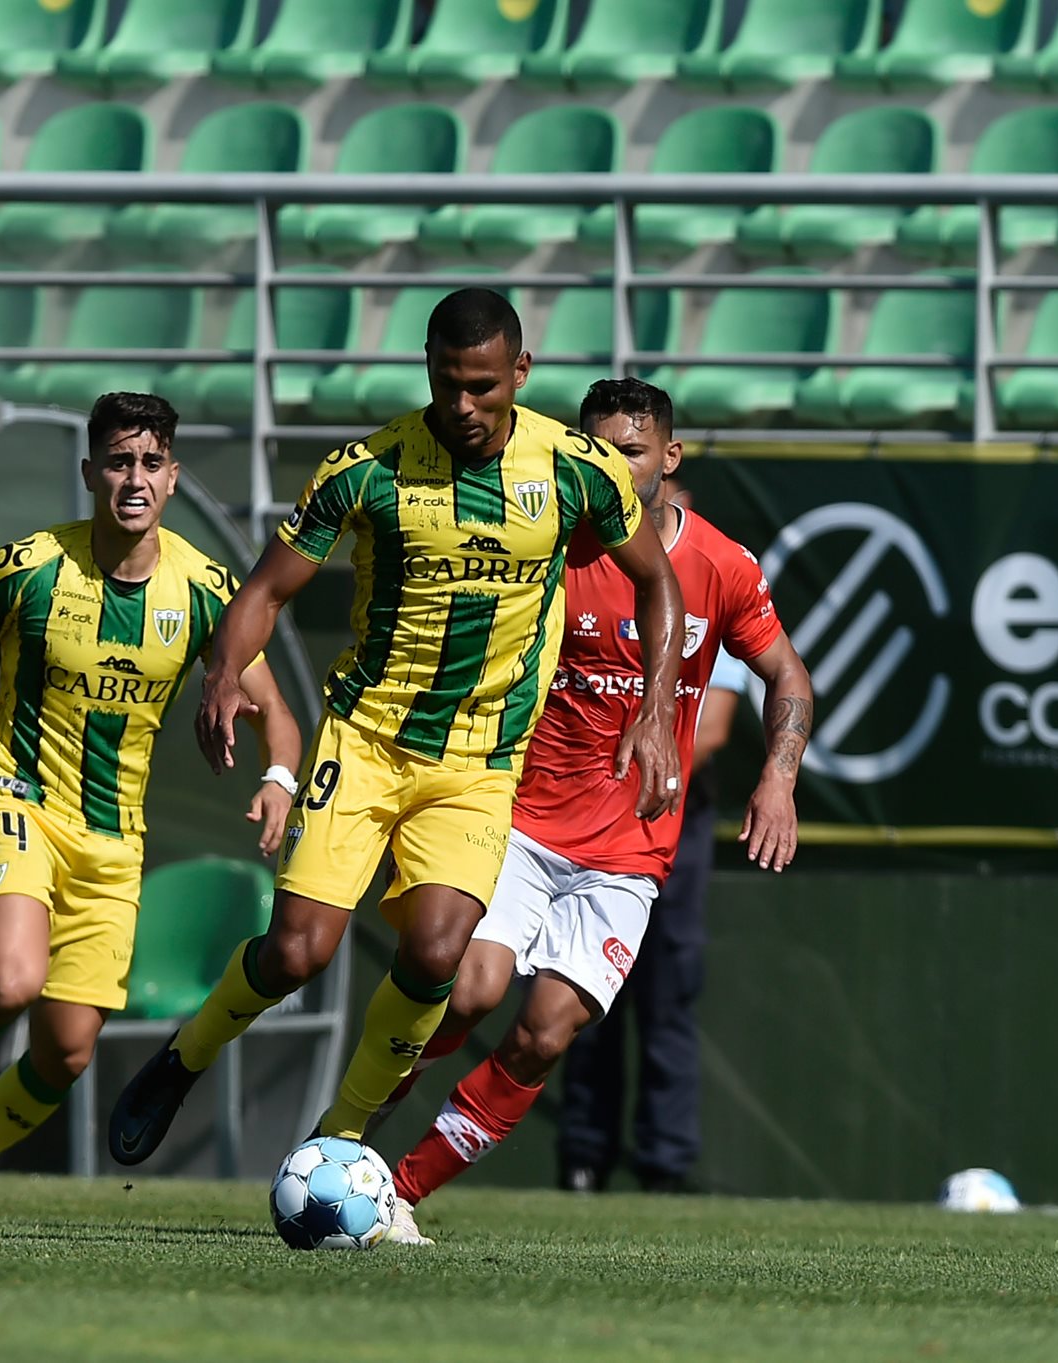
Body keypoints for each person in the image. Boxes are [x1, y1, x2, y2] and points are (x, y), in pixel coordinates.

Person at [107, 290, 686, 1171]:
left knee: (439, 950)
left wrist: (652, 708)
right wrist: (225, 671)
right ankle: (187, 1055)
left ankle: (338, 1138)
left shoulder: (576, 469)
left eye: (484, 388)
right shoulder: (367, 468)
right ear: (426, 366)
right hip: (367, 739)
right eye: (448, 383)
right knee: (299, 950)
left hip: (481, 759)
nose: (463, 406)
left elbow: (658, 582)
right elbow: (263, 591)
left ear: (520, 375)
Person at [378, 377, 813, 1243]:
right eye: (596, 451)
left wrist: (779, 777)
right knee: (469, 989)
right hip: (524, 824)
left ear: (671, 459)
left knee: (543, 1035)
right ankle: (342, 1128)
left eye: (634, 453)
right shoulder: (546, 550)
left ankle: (394, 1194)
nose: (613, 468)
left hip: (629, 855)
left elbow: (787, 678)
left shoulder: (722, 566)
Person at [0, 392, 302, 1217]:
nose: (136, 478)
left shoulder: (205, 589)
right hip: (14, 796)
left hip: (113, 839)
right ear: (92, 472)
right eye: (120, 461)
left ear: (172, 477)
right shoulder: (27, 565)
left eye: (152, 462)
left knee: (67, 1051)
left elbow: (278, 712)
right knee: (12, 982)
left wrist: (278, 780)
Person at [554, 637, 751, 1196]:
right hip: (591, 811)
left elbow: (711, 728)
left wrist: (636, 768)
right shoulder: (596, 590)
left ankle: (665, 1163)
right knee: (582, 987)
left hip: (673, 817)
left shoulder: (713, 591)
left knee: (668, 993)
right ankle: (583, 1158)